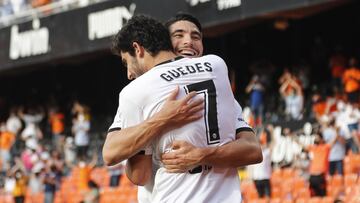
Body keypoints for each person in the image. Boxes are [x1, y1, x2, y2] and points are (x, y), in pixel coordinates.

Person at [103, 15, 261, 202]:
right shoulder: (217, 67)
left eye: (196, 37)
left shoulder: (136, 92)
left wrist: (202, 155)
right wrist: (162, 119)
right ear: (166, 42)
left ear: (138, 48)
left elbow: (137, 174)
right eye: (179, 35)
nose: (188, 42)